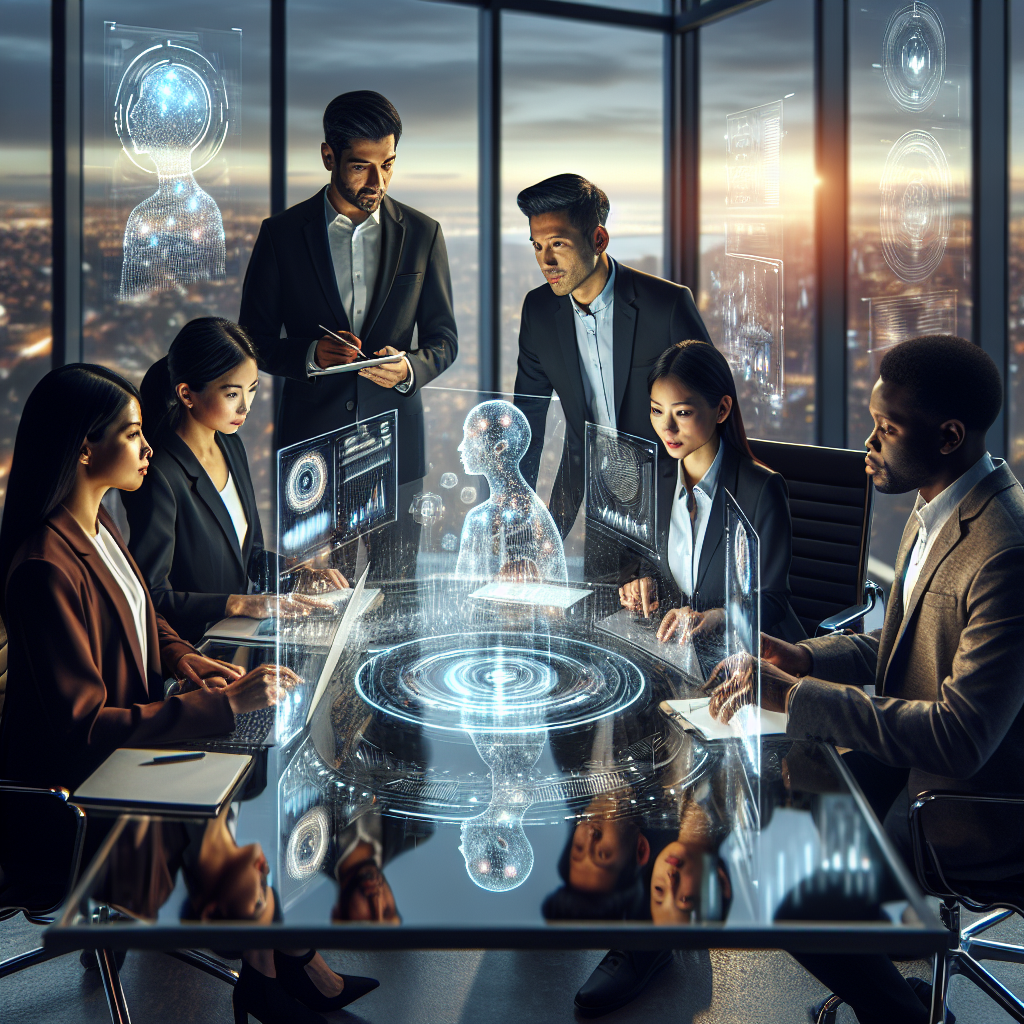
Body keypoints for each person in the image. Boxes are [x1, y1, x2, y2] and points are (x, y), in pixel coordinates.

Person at [705, 335, 1024, 1023]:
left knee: (788, 879)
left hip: (972, 800)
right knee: (762, 826)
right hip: (909, 759)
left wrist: (797, 697)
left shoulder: (1006, 550)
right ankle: (895, 999)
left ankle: (899, 1018)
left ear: (949, 437)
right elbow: (907, 641)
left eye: (887, 429)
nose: (869, 445)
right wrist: (806, 657)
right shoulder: (940, 505)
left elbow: (963, 738)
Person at [0, 364, 296, 794]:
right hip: (88, 794)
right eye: (132, 434)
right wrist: (224, 704)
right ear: (84, 450)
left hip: (129, 760)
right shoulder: (44, 569)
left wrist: (181, 656)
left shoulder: (97, 524)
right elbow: (84, 726)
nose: (148, 448)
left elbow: (135, 608)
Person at [238, 90, 458, 498]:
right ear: (328, 157)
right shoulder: (281, 235)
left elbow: (444, 340)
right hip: (310, 451)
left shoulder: (423, 234)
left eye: (387, 165)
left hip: (397, 447)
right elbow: (251, 340)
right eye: (361, 167)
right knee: (312, 546)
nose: (378, 182)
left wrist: (409, 369)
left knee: (400, 547)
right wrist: (310, 355)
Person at [512, 174, 712, 539]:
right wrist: (518, 519)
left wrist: (702, 510)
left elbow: (711, 412)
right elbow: (527, 421)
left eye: (558, 243)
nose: (546, 260)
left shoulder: (666, 306)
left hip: (675, 507)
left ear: (598, 240)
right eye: (537, 246)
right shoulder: (538, 311)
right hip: (599, 507)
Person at [122, 318, 346, 644]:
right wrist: (237, 603)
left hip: (237, 638)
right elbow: (150, 594)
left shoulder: (230, 444)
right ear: (187, 394)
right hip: (193, 648)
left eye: (252, 390)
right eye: (232, 394)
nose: (246, 407)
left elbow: (250, 554)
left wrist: (298, 574)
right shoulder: (159, 474)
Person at [618, 340, 804, 643]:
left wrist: (719, 617)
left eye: (682, 412)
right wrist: (638, 583)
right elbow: (641, 562)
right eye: (656, 410)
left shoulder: (762, 490)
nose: (667, 427)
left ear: (722, 409)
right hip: (679, 650)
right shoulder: (652, 480)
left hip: (747, 653)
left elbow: (772, 601)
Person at [455, 399, 567, 582]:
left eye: (470, 438)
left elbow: (464, 589)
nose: (461, 447)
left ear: (499, 447)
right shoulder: (535, 512)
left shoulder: (481, 519)